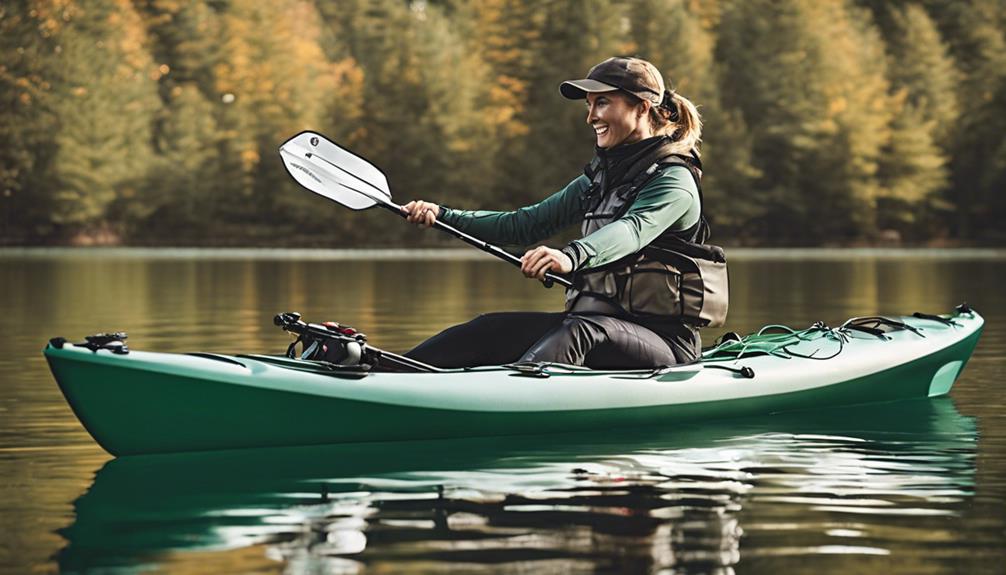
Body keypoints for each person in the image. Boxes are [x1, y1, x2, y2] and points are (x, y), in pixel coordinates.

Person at [401, 56, 709, 369]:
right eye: (588, 105)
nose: (591, 117)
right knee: (487, 329)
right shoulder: (598, 181)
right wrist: (443, 215)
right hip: (592, 325)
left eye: (602, 103)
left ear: (642, 107)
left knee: (579, 331)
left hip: (664, 344)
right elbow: (523, 226)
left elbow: (632, 229)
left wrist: (570, 256)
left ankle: (512, 395)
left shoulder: (674, 180)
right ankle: (389, 374)